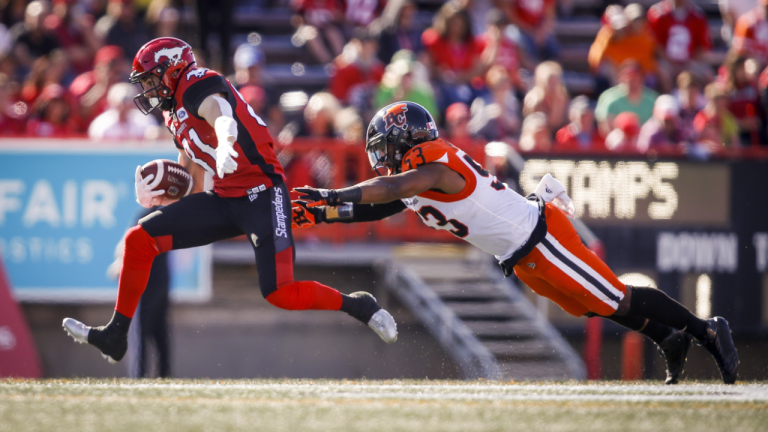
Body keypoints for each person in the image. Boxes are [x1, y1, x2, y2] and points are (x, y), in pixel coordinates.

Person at [290, 101, 739, 385]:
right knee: (593, 305)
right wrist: (326, 212)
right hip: (520, 254)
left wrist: (331, 194)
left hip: (542, 236)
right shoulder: (413, 178)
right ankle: (667, 337)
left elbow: (391, 190)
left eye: (385, 147)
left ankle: (706, 331)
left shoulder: (435, 163)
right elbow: (380, 205)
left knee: (613, 295)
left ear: (406, 140)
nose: (381, 158)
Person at [62, 37, 398, 364]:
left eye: (151, 78)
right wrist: (163, 195)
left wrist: (226, 142)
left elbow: (221, 113)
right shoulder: (171, 111)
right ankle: (115, 334)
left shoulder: (196, 83)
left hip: (263, 193)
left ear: (172, 70)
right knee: (139, 238)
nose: (148, 87)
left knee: (281, 292)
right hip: (224, 197)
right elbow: (189, 174)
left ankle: (359, 305)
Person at [595, 60, 658, 136]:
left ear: (642, 78)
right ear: (620, 77)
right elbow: (604, 128)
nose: (631, 79)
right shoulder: (608, 99)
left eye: (635, 76)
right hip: (618, 143)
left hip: (646, 142)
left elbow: (658, 126)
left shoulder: (653, 99)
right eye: (627, 75)